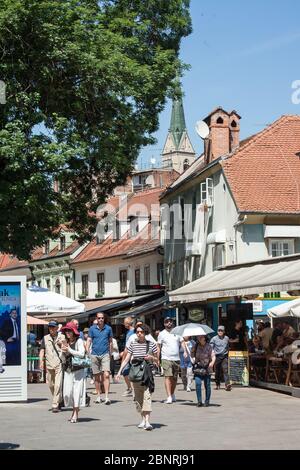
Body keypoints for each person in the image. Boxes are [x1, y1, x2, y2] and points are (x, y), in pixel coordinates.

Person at [116, 324, 159, 431]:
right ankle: (143, 419)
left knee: (147, 397)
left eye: (141, 332)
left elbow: (157, 360)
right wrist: (119, 372)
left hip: (147, 374)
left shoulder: (151, 344)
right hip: (135, 373)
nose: (139, 333)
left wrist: (151, 357)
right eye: (138, 332)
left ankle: (148, 421)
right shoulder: (133, 344)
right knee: (138, 398)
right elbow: (126, 359)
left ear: (145, 333)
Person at [157, 317, 188, 404]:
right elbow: (158, 347)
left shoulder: (177, 333)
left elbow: (182, 342)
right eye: (167, 322)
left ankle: (172, 393)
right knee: (168, 376)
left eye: (170, 321)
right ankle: (169, 396)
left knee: (174, 378)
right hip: (166, 358)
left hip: (176, 358)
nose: (169, 323)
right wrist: (157, 358)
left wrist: (185, 351)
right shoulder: (161, 334)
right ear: (164, 324)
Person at [60, 322, 86, 423]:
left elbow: (81, 353)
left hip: (78, 369)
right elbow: (62, 358)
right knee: (66, 393)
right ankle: (74, 409)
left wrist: (69, 350)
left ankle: (75, 412)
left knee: (77, 392)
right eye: (66, 330)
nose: (67, 332)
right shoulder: (65, 341)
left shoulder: (79, 341)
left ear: (74, 331)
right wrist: (63, 351)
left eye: (69, 330)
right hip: (68, 369)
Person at [86, 312, 113, 405]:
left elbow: (110, 341)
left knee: (106, 375)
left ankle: (106, 397)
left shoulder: (108, 328)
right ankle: (98, 396)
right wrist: (87, 351)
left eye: (102, 318)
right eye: (99, 318)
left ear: (104, 319)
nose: (100, 320)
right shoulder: (92, 329)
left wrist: (110, 352)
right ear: (96, 319)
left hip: (105, 354)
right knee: (96, 376)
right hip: (94, 354)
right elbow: (89, 340)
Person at [39, 320, 65, 412]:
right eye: (50, 327)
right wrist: (41, 361)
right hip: (49, 364)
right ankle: (60, 400)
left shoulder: (62, 337)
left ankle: (55, 405)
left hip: (59, 363)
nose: (51, 329)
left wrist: (62, 345)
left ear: (57, 328)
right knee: (51, 385)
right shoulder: (45, 338)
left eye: (53, 327)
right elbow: (42, 350)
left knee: (58, 385)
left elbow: (66, 348)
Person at [191, 335, 216, 407]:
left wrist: (212, 363)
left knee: (207, 385)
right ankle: (199, 401)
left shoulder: (209, 347)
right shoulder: (195, 346)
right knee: (198, 384)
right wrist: (192, 358)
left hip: (207, 368)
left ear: (204, 338)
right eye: (198, 337)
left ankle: (207, 401)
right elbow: (191, 355)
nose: (199, 338)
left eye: (201, 337)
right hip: (198, 368)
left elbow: (213, 356)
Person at [210, 326, 231, 391]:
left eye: (221, 331)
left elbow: (228, 346)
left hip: (224, 356)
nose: (220, 332)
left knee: (225, 370)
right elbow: (210, 347)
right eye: (219, 330)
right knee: (217, 371)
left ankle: (227, 385)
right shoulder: (214, 338)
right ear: (217, 331)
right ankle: (217, 384)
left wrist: (227, 352)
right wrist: (212, 355)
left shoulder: (226, 338)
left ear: (224, 331)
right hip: (217, 356)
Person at [119, 316, 135, 397]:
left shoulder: (133, 332)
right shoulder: (128, 332)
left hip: (131, 355)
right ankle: (130, 388)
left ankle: (133, 389)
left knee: (129, 372)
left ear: (128, 323)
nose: (124, 324)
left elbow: (129, 346)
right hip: (127, 353)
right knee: (125, 372)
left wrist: (124, 355)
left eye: (125, 322)